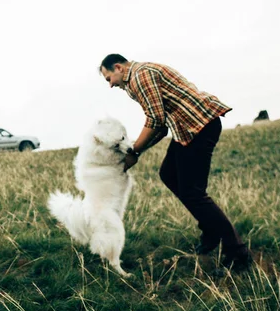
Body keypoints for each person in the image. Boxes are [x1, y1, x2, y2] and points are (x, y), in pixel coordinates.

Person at [99, 53, 252, 271]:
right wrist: (137, 152)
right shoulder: (137, 80)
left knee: (193, 192)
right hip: (187, 130)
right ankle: (211, 233)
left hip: (200, 127)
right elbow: (160, 127)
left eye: (108, 79)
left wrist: (134, 150)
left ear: (118, 68)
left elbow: (155, 119)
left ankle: (237, 254)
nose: (111, 86)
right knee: (168, 174)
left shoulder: (140, 76)